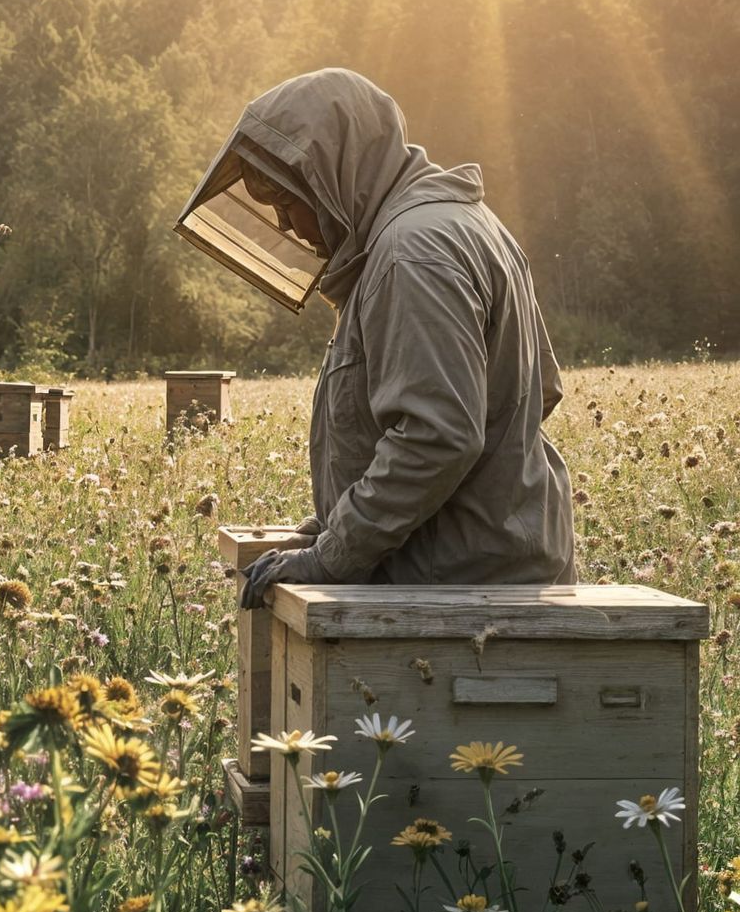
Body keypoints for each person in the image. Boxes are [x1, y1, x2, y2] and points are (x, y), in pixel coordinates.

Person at [175, 67, 575, 607]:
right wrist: (334, 528)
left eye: (289, 201)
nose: (288, 226)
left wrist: (334, 556)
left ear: (338, 172)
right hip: (480, 570)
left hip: (451, 586)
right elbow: (536, 392)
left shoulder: (412, 254)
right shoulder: (464, 224)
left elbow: (437, 436)